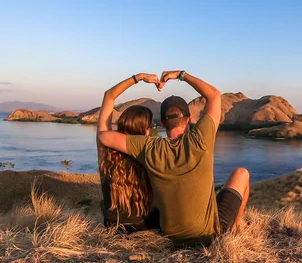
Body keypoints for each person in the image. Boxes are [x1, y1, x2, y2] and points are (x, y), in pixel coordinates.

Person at [98, 70, 250, 246]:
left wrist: (137, 78)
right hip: (207, 236)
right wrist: (180, 75)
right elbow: (214, 95)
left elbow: (104, 136)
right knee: (242, 173)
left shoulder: (150, 148)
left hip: (171, 235)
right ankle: (232, 229)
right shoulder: (201, 139)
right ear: (190, 119)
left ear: (162, 123)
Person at [96, 73, 162, 232]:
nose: (152, 131)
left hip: (113, 226)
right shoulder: (151, 153)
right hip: (145, 226)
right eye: (151, 127)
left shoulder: (106, 151)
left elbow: (109, 96)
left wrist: (138, 78)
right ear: (144, 130)